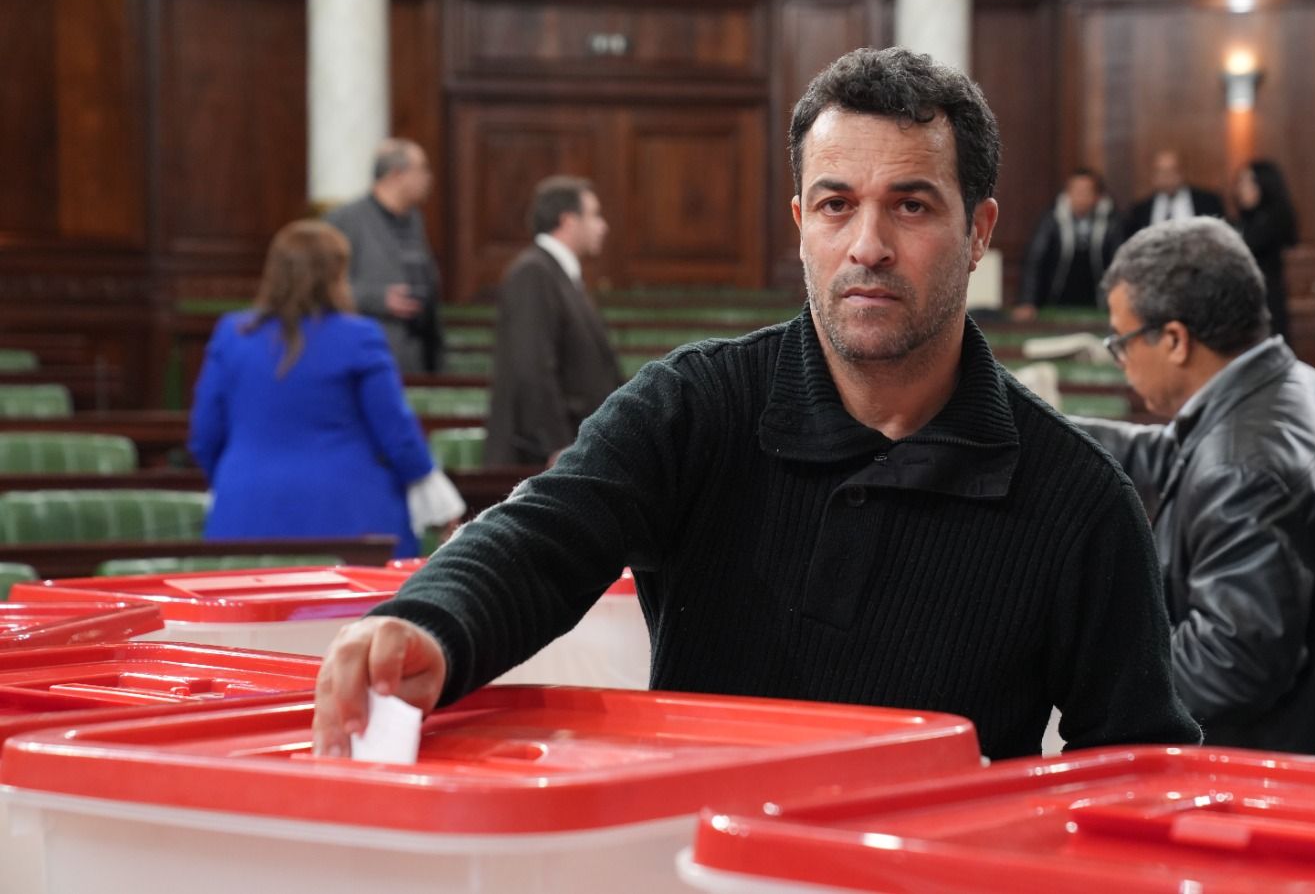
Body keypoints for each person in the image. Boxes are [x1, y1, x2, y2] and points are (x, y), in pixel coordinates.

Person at [313, 47, 1201, 762]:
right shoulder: (692, 407)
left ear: (978, 232)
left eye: (911, 206)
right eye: (837, 205)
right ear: (801, 223)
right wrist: (427, 622)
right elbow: (545, 534)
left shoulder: (1081, 501)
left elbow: (1136, 770)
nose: (867, 245)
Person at [1072, 219, 1315, 764]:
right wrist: (1040, 430)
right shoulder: (1308, 390)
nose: (1121, 362)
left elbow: (1226, 665)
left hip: (1297, 782)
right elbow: (1175, 455)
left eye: (1122, 342)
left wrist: (1088, 662)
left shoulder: (1242, 465)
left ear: (1175, 340)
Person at [188, 220, 460, 559]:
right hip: (350, 514)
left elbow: (204, 435)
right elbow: (396, 433)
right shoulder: (359, 336)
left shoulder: (233, 334)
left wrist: (240, 476)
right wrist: (434, 495)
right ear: (336, 275)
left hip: (246, 510)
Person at [485, 175, 624, 468]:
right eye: (594, 215)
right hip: (542, 457)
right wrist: (557, 445)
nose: (603, 226)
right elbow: (532, 366)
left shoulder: (559, 274)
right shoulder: (533, 273)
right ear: (568, 221)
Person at [326, 138, 444, 374]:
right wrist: (377, 299)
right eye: (422, 169)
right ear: (396, 174)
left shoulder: (414, 219)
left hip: (416, 354)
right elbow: (322, 287)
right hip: (369, 355)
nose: (428, 178)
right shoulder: (346, 220)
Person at [1013, 168, 1123, 317]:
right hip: (1054, 301)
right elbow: (1034, 262)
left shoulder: (1112, 223)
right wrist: (1027, 301)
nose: (1081, 197)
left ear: (1097, 196)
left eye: (1086, 191)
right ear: (1067, 194)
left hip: (1099, 304)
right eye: (1076, 191)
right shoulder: (1051, 220)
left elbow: (1120, 265)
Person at [1230, 159, 1299, 341]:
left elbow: (1246, 248)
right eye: (1240, 182)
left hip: (1267, 304)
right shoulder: (1242, 220)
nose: (1241, 189)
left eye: (1248, 182)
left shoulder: (1273, 220)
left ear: (1264, 185)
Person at [1121, 149, 1224, 236]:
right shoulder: (1141, 210)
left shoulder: (1208, 202)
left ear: (1182, 172)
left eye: (1172, 171)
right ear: (1153, 176)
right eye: (1162, 172)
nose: (1167, 177)